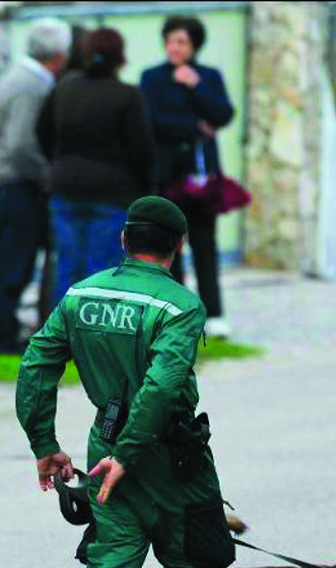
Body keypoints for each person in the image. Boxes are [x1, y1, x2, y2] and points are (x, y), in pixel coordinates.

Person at [15, 197, 235, 568]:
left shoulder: (80, 294)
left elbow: (35, 365)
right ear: (178, 246)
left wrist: (45, 444)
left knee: (108, 567)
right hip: (171, 460)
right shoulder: (179, 306)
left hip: (102, 448)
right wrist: (131, 455)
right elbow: (161, 388)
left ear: (123, 240)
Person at [36, 27, 155, 310]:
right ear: (120, 58)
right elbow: (142, 151)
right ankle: (95, 344)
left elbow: (42, 132)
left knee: (66, 267)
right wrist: (147, 192)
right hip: (111, 195)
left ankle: (62, 341)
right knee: (102, 272)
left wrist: (59, 164)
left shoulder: (64, 89)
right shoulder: (127, 96)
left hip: (65, 190)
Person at [0, 17, 71, 354]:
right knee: (11, 266)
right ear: (59, 53)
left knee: (5, 263)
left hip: (4, 182)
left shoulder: (17, 74)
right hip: (15, 184)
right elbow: (20, 145)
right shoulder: (33, 83)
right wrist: (48, 178)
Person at [140, 16, 235, 339]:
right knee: (170, 247)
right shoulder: (152, 78)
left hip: (202, 178)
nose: (173, 48)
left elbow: (223, 114)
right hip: (168, 175)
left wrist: (195, 87)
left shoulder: (207, 77)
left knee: (205, 244)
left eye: (180, 42)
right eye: (169, 41)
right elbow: (155, 123)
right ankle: (174, 314)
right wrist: (196, 128)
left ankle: (214, 313)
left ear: (193, 46)